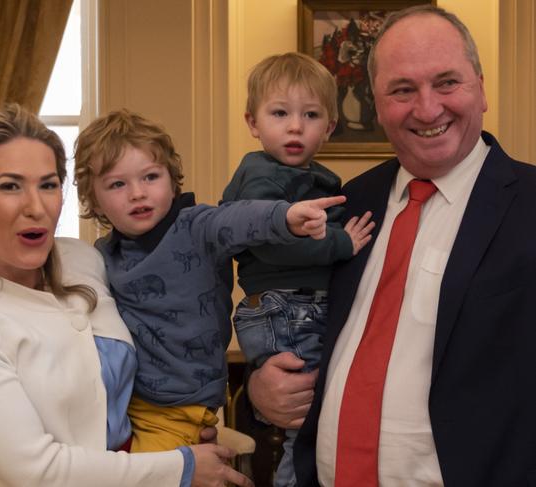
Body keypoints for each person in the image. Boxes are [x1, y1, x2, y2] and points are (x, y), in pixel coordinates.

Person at [0, 104, 254, 487]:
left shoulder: (84, 259)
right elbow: (36, 472)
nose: (37, 206)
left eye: (47, 184)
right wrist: (181, 468)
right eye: (10, 186)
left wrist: (253, 378)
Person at [248, 5, 536, 487]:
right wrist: (261, 386)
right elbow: (290, 309)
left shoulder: (529, 204)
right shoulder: (342, 203)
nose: (427, 109)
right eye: (402, 90)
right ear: (376, 104)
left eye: (447, 82)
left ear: (481, 88)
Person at [72, 109, 345, 454]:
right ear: (93, 199)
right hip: (125, 406)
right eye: (117, 184)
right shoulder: (103, 254)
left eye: (151, 177)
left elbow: (240, 217)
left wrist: (286, 217)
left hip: (179, 410)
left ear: (172, 181)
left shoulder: (197, 227)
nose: (137, 193)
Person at [220, 52, 374, 487]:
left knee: (315, 424)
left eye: (310, 115)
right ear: (253, 122)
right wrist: (341, 242)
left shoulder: (317, 178)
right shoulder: (260, 177)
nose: (294, 126)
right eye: (279, 113)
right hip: (283, 309)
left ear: (328, 127)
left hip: (297, 307)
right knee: (306, 426)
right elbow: (273, 244)